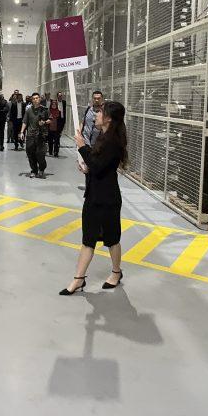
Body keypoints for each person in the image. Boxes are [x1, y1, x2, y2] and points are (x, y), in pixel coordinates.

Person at [61, 101, 128, 296]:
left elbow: (98, 166)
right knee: (88, 239)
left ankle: (116, 272)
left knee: (112, 239)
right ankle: (78, 279)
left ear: (109, 119)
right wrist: (87, 169)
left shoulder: (113, 141)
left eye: (100, 112)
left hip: (107, 199)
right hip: (93, 196)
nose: (96, 115)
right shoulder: (102, 136)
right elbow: (98, 166)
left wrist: (82, 147)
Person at [21, 92, 50, 178]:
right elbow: (25, 122)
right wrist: (21, 132)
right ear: (32, 100)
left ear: (39, 99)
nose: (35, 100)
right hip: (30, 135)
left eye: (37, 98)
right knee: (30, 154)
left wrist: (44, 122)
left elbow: (50, 120)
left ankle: (41, 169)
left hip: (41, 135)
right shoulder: (28, 110)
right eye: (33, 98)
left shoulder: (45, 110)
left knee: (40, 154)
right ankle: (34, 170)